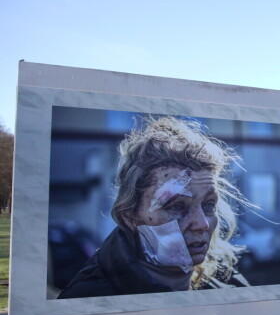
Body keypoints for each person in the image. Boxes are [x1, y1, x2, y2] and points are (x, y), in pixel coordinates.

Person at [58, 116, 249, 299]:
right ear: (130, 217)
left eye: (208, 205)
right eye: (177, 207)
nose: (202, 224)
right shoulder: (87, 300)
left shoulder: (226, 278)